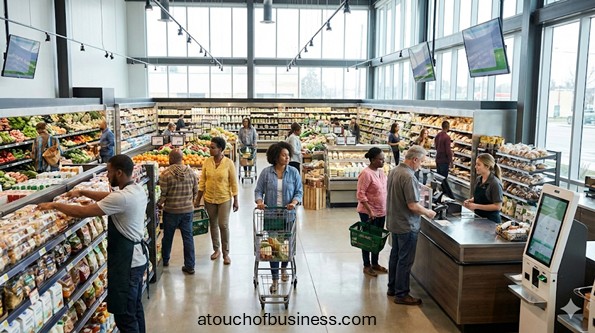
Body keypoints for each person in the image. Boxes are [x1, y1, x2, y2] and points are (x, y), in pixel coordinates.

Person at [37, 155, 148, 332]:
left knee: (125, 318)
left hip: (127, 264)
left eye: (109, 172)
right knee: (134, 310)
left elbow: (84, 212)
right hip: (136, 259)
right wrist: (82, 192)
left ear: (119, 173)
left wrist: (55, 206)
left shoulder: (122, 198)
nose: (107, 175)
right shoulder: (135, 189)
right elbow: (109, 197)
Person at [386, 146, 436, 306]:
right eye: (421, 161)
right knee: (405, 260)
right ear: (415, 159)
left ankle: (392, 288)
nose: (421, 165)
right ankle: (402, 294)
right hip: (406, 225)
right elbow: (413, 205)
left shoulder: (394, 171)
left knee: (395, 256)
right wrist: (428, 212)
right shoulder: (409, 177)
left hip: (394, 221)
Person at [254, 141, 303, 293]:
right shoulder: (266, 173)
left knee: (285, 247)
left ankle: (284, 270)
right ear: (276, 157)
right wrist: (260, 202)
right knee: (274, 249)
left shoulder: (294, 172)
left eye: (288, 155)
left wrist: (294, 202)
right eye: (284, 155)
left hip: (288, 216)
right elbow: (258, 191)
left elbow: (299, 191)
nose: (287, 157)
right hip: (271, 215)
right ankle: (274, 280)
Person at [195, 137, 239, 265]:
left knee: (223, 225)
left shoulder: (228, 163)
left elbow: (233, 182)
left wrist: (236, 199)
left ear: (220, 149)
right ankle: (216, 249)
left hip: (224, 197)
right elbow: (202, 181)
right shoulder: (207, 162)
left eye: (213, 147)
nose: (210, 149)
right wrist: (198, 198)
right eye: (210, 147)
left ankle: (226, 253)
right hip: (209, 198)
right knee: (213, 224)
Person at [158, 149, 198, 274]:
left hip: (171, 211)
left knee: (168, 237)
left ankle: (165, 260)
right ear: (182, 158)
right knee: (188, 238)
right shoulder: (191, 172)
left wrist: (158, 204)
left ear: (170, 159)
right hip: (187, 211)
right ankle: (190, 265)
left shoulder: (165, 174)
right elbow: (195, 191)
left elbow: (163, 195)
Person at [356, 147, 387, 277]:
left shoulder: (381, 172)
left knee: (377, 239)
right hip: (368, 213)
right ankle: (366, 265)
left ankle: (375, 263)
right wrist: (370, 211)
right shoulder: (366, 174)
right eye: (380, 159)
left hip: (381, 211)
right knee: (368, 239)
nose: (383, 162)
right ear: (373, 160)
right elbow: (360, 194)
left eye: (384, 159)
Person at [463, 153, 504, 223]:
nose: (475, 167)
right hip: (479, 218)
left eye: (478, 165)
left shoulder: (494, 183)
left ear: (487, 166)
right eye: (476, 164)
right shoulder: (479, 179)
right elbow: (481, 197)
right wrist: (471, 200)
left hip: (491, 221)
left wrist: (476, 206)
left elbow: (498, 206)